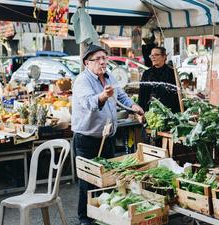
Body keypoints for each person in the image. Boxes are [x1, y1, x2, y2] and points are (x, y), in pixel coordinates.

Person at [71, 44, 143, 225]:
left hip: (107, 137)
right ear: (87, 63)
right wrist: (102, 96)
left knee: (107, 179)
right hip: (87, 139)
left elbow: (121, 96)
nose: (103, 62)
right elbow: (89, 103)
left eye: (105, 57)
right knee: (88, 181)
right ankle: (85, 218)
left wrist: (132, 106)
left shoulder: (109, 76)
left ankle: (103, 216)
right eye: (98, 59)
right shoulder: (82, 81)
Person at [138, 46, 180, 113]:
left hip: (168, 112)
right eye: (151, 55)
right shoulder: (147, 73)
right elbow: (142, 95)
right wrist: (141, 111)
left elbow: (177, 96)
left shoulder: (172, 73)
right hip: (150, 112)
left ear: (164, 57)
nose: (153, 57)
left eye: (156, 55)